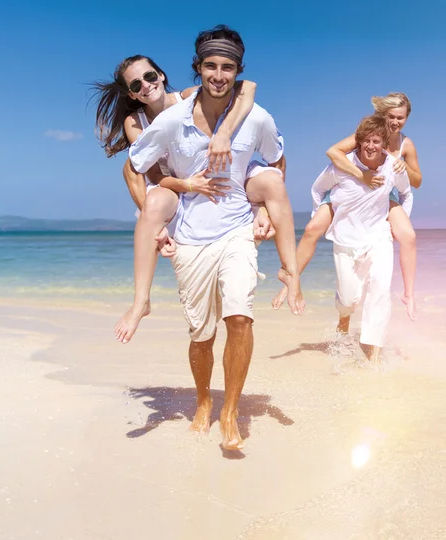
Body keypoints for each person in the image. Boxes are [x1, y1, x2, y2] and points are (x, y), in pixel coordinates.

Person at [128, 25, 302, 450]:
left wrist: (261, 207)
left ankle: (230, 411)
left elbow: (278, 163)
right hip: (191, 238)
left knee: (240, 318)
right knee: (201, 336)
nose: (219, 75)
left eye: (228, 67)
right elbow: (137, 166)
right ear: (198, 69)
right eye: (211, 66)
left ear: (238, 72)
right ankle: (204, 400)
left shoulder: (256, 117)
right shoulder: (171, 121)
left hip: (238, 230)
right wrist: (166, 205)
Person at [92, 56, 279, 345]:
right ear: (131, 93)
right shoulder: (135, 122)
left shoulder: (190, 98)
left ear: (162, 76)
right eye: (136, 84)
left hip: (217, 178)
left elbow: (247, 88)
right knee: (129, 167)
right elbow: (154, 172)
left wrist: (225, 134)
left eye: (150, 76)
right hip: (173, 187)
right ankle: (141, 300)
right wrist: (188, 185)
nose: (146, 86)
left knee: (259, 178)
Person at [273, 93, 422, 320]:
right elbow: (333, 152)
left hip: (384, 194)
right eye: (391, 116)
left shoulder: (406, 144)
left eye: (400, 118)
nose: (395, 122)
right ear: (383, 115)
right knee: (313, 229)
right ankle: (290, 281)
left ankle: (409, 295)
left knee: (408, 236)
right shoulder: (368, 135)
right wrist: (362, 175)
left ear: (407, 118)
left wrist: (403, 165)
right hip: (350, 189)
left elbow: (417, 182)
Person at [311, 114, 412, 362]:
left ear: (384, 143)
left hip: (378, 238)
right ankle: (343, 319)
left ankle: (371, 354)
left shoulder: (392, 166)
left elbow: (406, 193)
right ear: (358, 142)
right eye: (365, 141)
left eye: (376, 141)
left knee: (380, 289)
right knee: (348, 300)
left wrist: (396, 221)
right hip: (345, 240)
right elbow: (318, 188)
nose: (370, 146)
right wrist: (323, 213)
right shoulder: (342, 165)